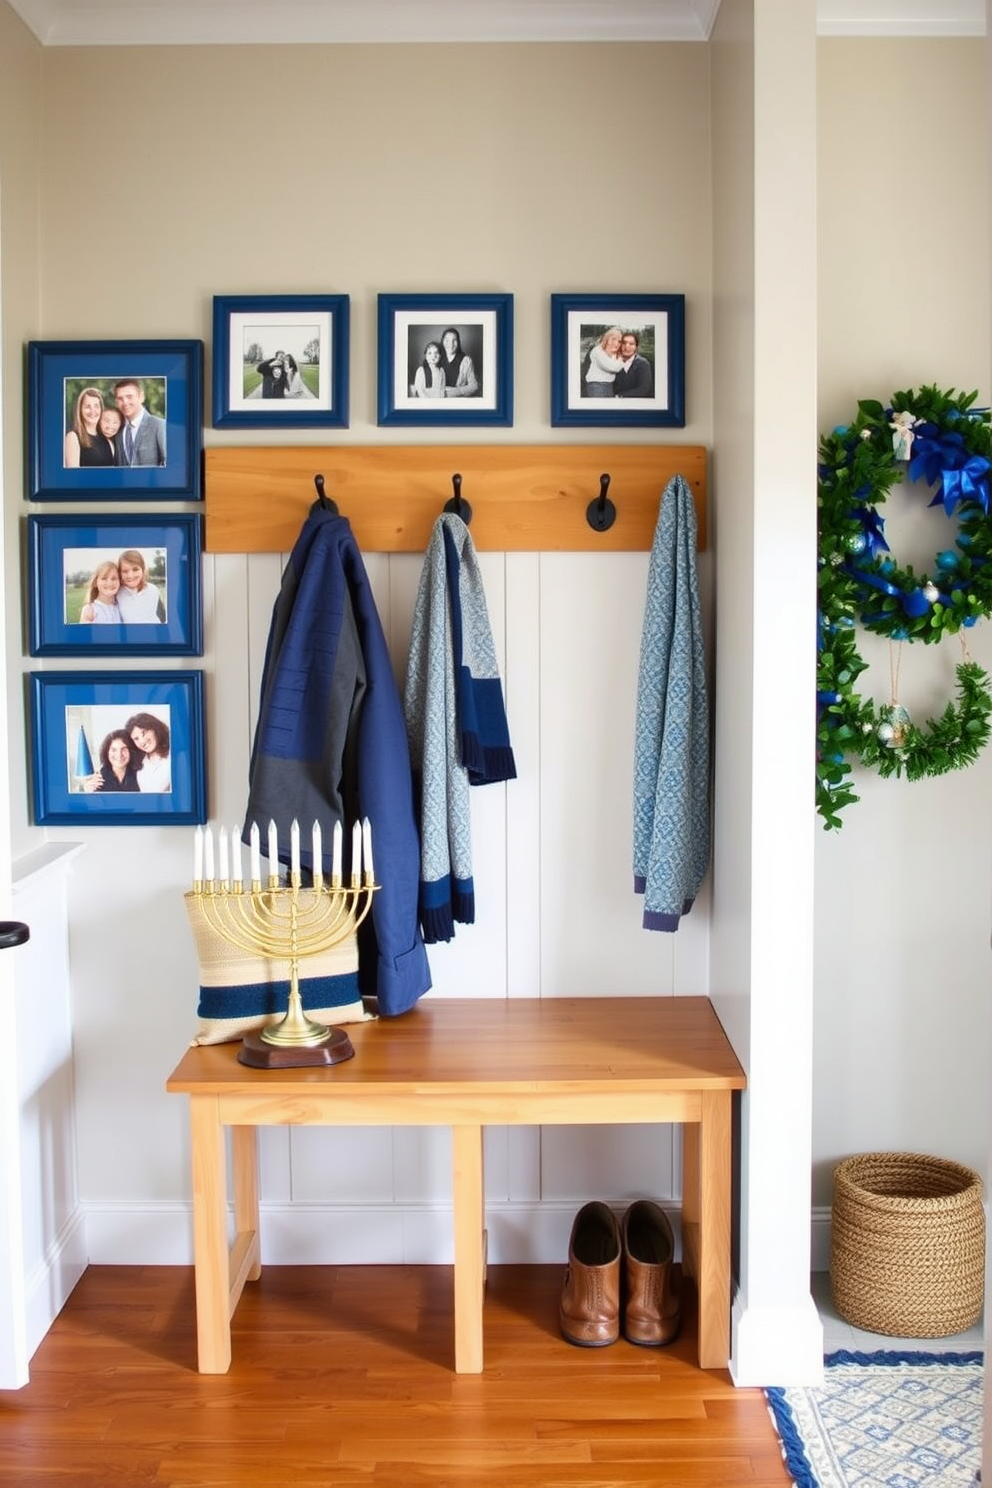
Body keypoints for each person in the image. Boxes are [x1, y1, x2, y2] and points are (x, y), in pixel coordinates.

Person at [113, 378, 167, 467]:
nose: (125, 402)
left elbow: (168, 465)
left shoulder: (159, 425)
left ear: (141, 397)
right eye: (120, 398)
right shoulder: (118, 430)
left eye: (129, 396)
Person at [64, 387, 116, 468]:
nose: (93, 411)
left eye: (96, 406)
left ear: (101, 409)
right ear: (80, 410)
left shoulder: (108, 441)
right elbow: (72, 477)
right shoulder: (73, 437)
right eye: (87, 406)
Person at [125, 711, 171, 793]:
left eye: (144, 733)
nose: (142, 741)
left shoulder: (174, 755)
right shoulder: (140, 762)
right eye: (136, 738)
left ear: (155, 729)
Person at [116, 549, 165, 623]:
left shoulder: (153, 590)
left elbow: (162, 618)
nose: (130, 575)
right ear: (120, 573)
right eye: (125, 571)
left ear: (143, 569)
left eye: (135, 569)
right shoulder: (117, 593)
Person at [582, 327, 624, 397]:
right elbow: (613, 368)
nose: (616, 343)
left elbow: (617, 365)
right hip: (597, 386)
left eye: (619, 341)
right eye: (613, 339)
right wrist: (621, 359)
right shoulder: (597, 350)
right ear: (606, 339)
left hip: (609, 386)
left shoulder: (613, 352)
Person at [439, 327, 479, 397]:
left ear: (459, 342)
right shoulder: (435, 357)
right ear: (442, 341)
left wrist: (452, 392)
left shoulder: (466, 361)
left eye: (454, 340)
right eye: (447, 340)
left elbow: (474, 386)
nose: (451, 344)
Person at [613, 331, 654, 399]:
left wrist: (620, 396)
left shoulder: (643, 364)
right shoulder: (613, 362)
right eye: (624, 343)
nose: (627, 347)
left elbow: (644, 390)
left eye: (631, 344)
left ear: (636, 347)